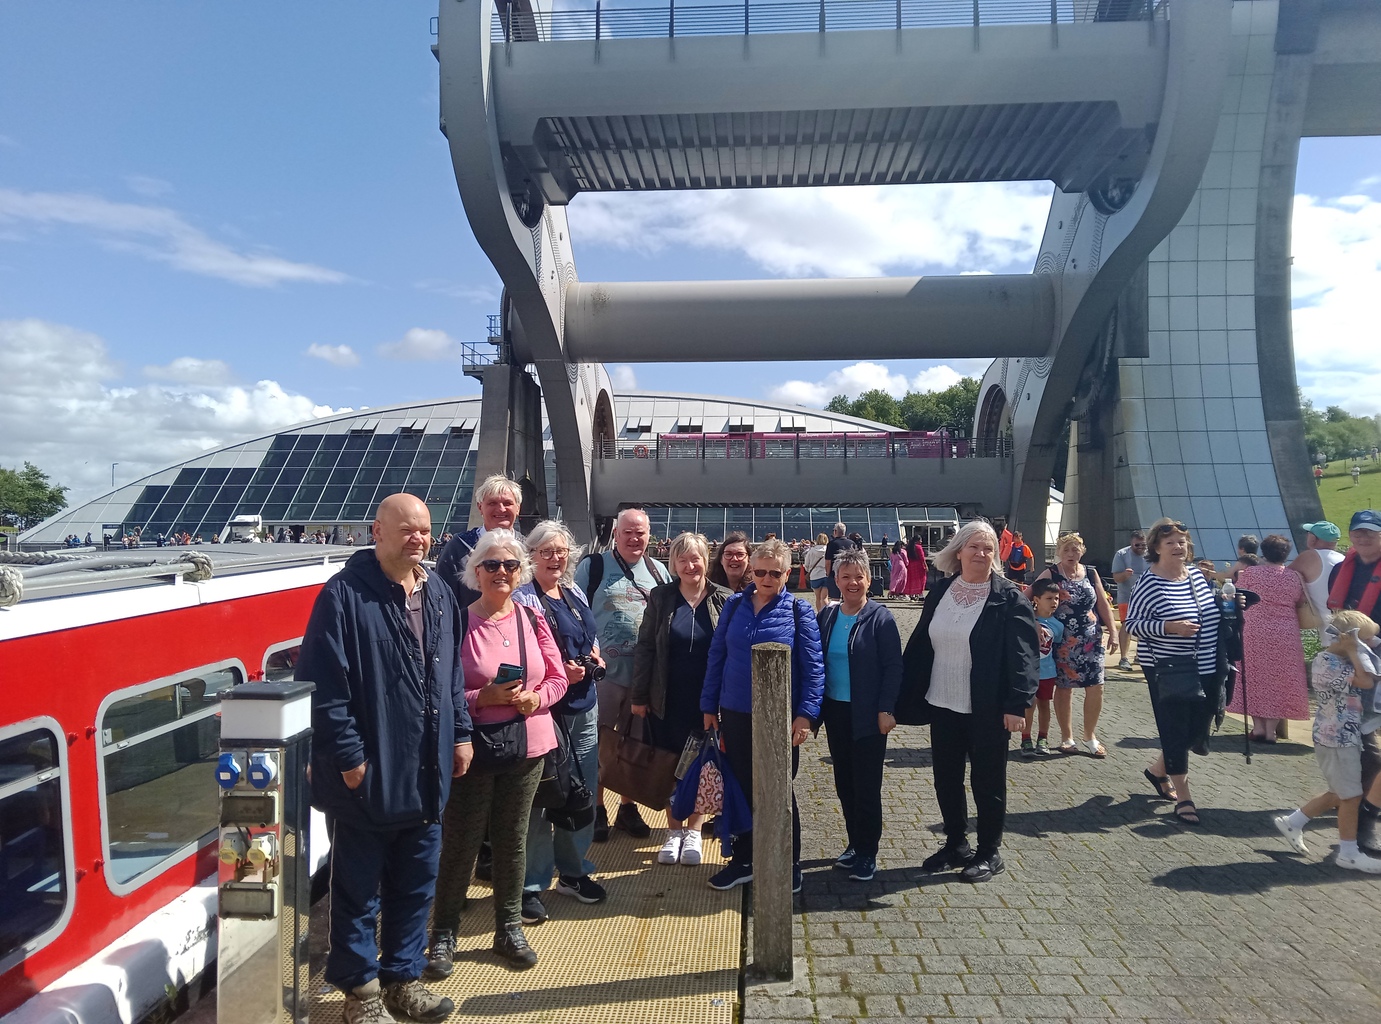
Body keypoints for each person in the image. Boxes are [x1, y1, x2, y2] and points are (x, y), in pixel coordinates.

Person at [298, 493, 469, 1024]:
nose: (418, 539)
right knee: (357, 892)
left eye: (425, 530)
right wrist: (351, 759)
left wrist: (461, 733)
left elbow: (452, 676)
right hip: (368, 778)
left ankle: (403, 978)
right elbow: (324, 688)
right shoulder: (343, 596)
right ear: (377, 531)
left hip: (428, 772)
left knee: (416, 885)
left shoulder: (438, 590)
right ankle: (361, 992)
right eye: (407, 530)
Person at [429, 530, 568, 973]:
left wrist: (537, 699)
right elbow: (441, 689)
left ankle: (508, 928)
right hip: (475, 748)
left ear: (520, 571)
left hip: (528, 744)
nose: (501, 573)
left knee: (512, 839)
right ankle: (444, 933)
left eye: (510, 565)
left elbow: (557, 678)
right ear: (476, 572)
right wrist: (481, 698)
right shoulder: (458, 621)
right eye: (491, 565)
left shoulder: (533, 617)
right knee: (462, 841)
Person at [902, 520, 1039, 882]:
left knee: (987, 781)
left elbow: (1024, 656)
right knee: (946, 778)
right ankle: (956, 843)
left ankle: (990, 852)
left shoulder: (1008, 597)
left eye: (988, 548)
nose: (981, 554)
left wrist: (1017, 704)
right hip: (942, 702)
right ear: (958, 551)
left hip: (988, 707)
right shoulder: (942, 590)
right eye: (974, 547)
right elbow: (921, 643)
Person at [701, 538, 824, 891]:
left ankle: (789, 860)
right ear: (751, 571)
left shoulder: (799, 612)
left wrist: (806, 715)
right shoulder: (735, 605)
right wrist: (709, 705)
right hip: (735, 711)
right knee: (740, 786)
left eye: (775, 572)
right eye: (760, 572)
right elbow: (717, 656)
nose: (766, 578)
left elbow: (813, 668)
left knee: (780, 790)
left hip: (779, 718)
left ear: (788, 573)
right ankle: (745, 860)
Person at [515, 521, 608, 924]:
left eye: (561, 551)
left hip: (583, 707)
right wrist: (554, 677)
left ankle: (572, 871)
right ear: (531, 556)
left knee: (581, 791)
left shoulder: (572, 592)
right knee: (541, 794)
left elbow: (590, 636)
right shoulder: (521, 599)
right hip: (543, 712)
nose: (555, 558)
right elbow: (517, 654)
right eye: (546, 551)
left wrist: (596, 659)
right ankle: (531, 883)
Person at [631, 532, 732, 867]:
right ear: (673, 563)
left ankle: (694, 832)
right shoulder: (661, 598)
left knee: (702, 766)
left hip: (706, 701)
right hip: (666, 698)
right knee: (671, 765)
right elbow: (645, 647)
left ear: (707, 560)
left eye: (696, 558)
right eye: (683, 559)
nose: (691, 565)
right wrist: (640, 695)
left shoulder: (724, 599)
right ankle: (673, 832)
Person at [574, 508, 669, 841]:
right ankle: (597, 807)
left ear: (649, 535)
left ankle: (628, 807)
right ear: (616, 534)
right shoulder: (594, 566)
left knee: (634, 744)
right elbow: (575, 610)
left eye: (640, 532)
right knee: (598, 742)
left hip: (643, 679)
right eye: (627, 532)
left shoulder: (658, 572)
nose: (634, 538)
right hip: (606, 676)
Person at [1125, 518, 1223, 826]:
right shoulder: (1149, 582)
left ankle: (1157, 771)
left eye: (1182, 541)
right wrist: (1169, 627)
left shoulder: (1196, 576)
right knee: (1175, 729)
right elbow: (1132, 624)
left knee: (1199, 730)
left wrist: (1232, 604)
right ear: (1156, 548)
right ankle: (1184, 797)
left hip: (1208, 664)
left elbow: (1210, 613)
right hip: (1168, 669)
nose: (1178, 547)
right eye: (1171, 543)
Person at [816, 547, 903, 882]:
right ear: (836, 579)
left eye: (859, 576)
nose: (853, 582)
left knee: (867, 787)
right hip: (836, 711)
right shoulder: (828, 616)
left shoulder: (881, 618)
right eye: (846, 576)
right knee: (845, 785)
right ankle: (854, 843)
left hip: (868, 715)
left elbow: (894, 667)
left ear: (869, 579)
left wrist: (886, 708)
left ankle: (868, 852)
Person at [1271, 611, 1381, 873]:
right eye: (1366, 640)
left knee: (1339, 792)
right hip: (1337, 738)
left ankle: (1293, 822)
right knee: (1351, 796)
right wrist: (1355, 650)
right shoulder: (1326, 663)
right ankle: (1348, 853)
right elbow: (1366, 681)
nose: (1371, 645)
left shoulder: (1341, 659)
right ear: (1349, 639)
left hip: (1348, 735)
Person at [1033, 533, 1116, 758]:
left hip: (1092, 639)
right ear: (1059, 552)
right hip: (1063, 640)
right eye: (1066, 550)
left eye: (1075, 549)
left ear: (1082, 551)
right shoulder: (1051, 573)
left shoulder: (1090, 572)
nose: (1071, 554)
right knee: (1065, 687)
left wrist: (1113, 631)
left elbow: (1102, 603)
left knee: (1096, 686)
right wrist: (1034, 622)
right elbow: (1028, 596)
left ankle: (1090, 736)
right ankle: (1066, 737)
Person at [1226, 534, 1311, 742]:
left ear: (1263, 551)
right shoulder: (1294, 577)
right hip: (1285, 632)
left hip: (1254, 630)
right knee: (1279, 679)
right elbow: (1299, 600)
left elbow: (1238, 594)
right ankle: (1272, 730)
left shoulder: (1250, 574)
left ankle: (1259, 728)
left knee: (1255, 677)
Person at [434, 474, 524, 607]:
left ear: (518, 508)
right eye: (492, 503)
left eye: (507, 503)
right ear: (480, 507)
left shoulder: (528, 548)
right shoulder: (458, 548)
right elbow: (443, 600)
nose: (500, 509)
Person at [1021, 579, 1065, 757]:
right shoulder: (1026, 619)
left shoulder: (1058, 625)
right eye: (1049, 598)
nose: (1054, 602)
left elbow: (1057, 648)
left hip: (1048, 672)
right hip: (1029, 672)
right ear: (1037, 599)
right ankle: (1026, 739)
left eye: (1056, 599)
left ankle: (1042, 738)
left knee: (1045, 705)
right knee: (1028, 706)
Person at [1290, 521, 1344, 626]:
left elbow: (1280, 576)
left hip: (1330, 628)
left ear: (1313, 539)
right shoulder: (1343, 559)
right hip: (1345, 622)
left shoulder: (1309, 557)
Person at [1111, 530, 1150, 671]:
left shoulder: (1151, 555)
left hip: (1146, 597)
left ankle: (1140, 655)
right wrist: (1125, 575)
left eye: (1143, 545)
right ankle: (1124, 657)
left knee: (1144, 625)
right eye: (1137, 545)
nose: (1140, 548)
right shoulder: (1122, 555)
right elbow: (1116, 578)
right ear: (1131, 543)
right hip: (1127, 596)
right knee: (1126, 625)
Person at [823, 523, 855, 602]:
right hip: (849, 573)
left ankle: (835, 613)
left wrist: (827, 573)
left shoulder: (832, 544)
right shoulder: (852, 543)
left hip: (835, 574)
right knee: (847, 596)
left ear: (835, 531)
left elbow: (828, 561)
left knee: (835, 599)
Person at [804, 532, 829, 612]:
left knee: (818, 598)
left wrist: (809, 570)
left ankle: (820, 614)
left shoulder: (811, 551)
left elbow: (806, 564)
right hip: (825, 574)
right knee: (824, 597)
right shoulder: (828, 550)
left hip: (815, 575)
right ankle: (826, 614)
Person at [905, 530, 928, 602]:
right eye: (920, 540)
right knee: (921, 580)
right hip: (919, 565)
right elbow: (922, 558)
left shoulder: (909, 547)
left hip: (911, 565)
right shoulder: (919, 547)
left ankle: (912, 594)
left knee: (912, 580)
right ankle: (920, 595)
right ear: (918, 540)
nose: (921, 541)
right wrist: (925, 566)